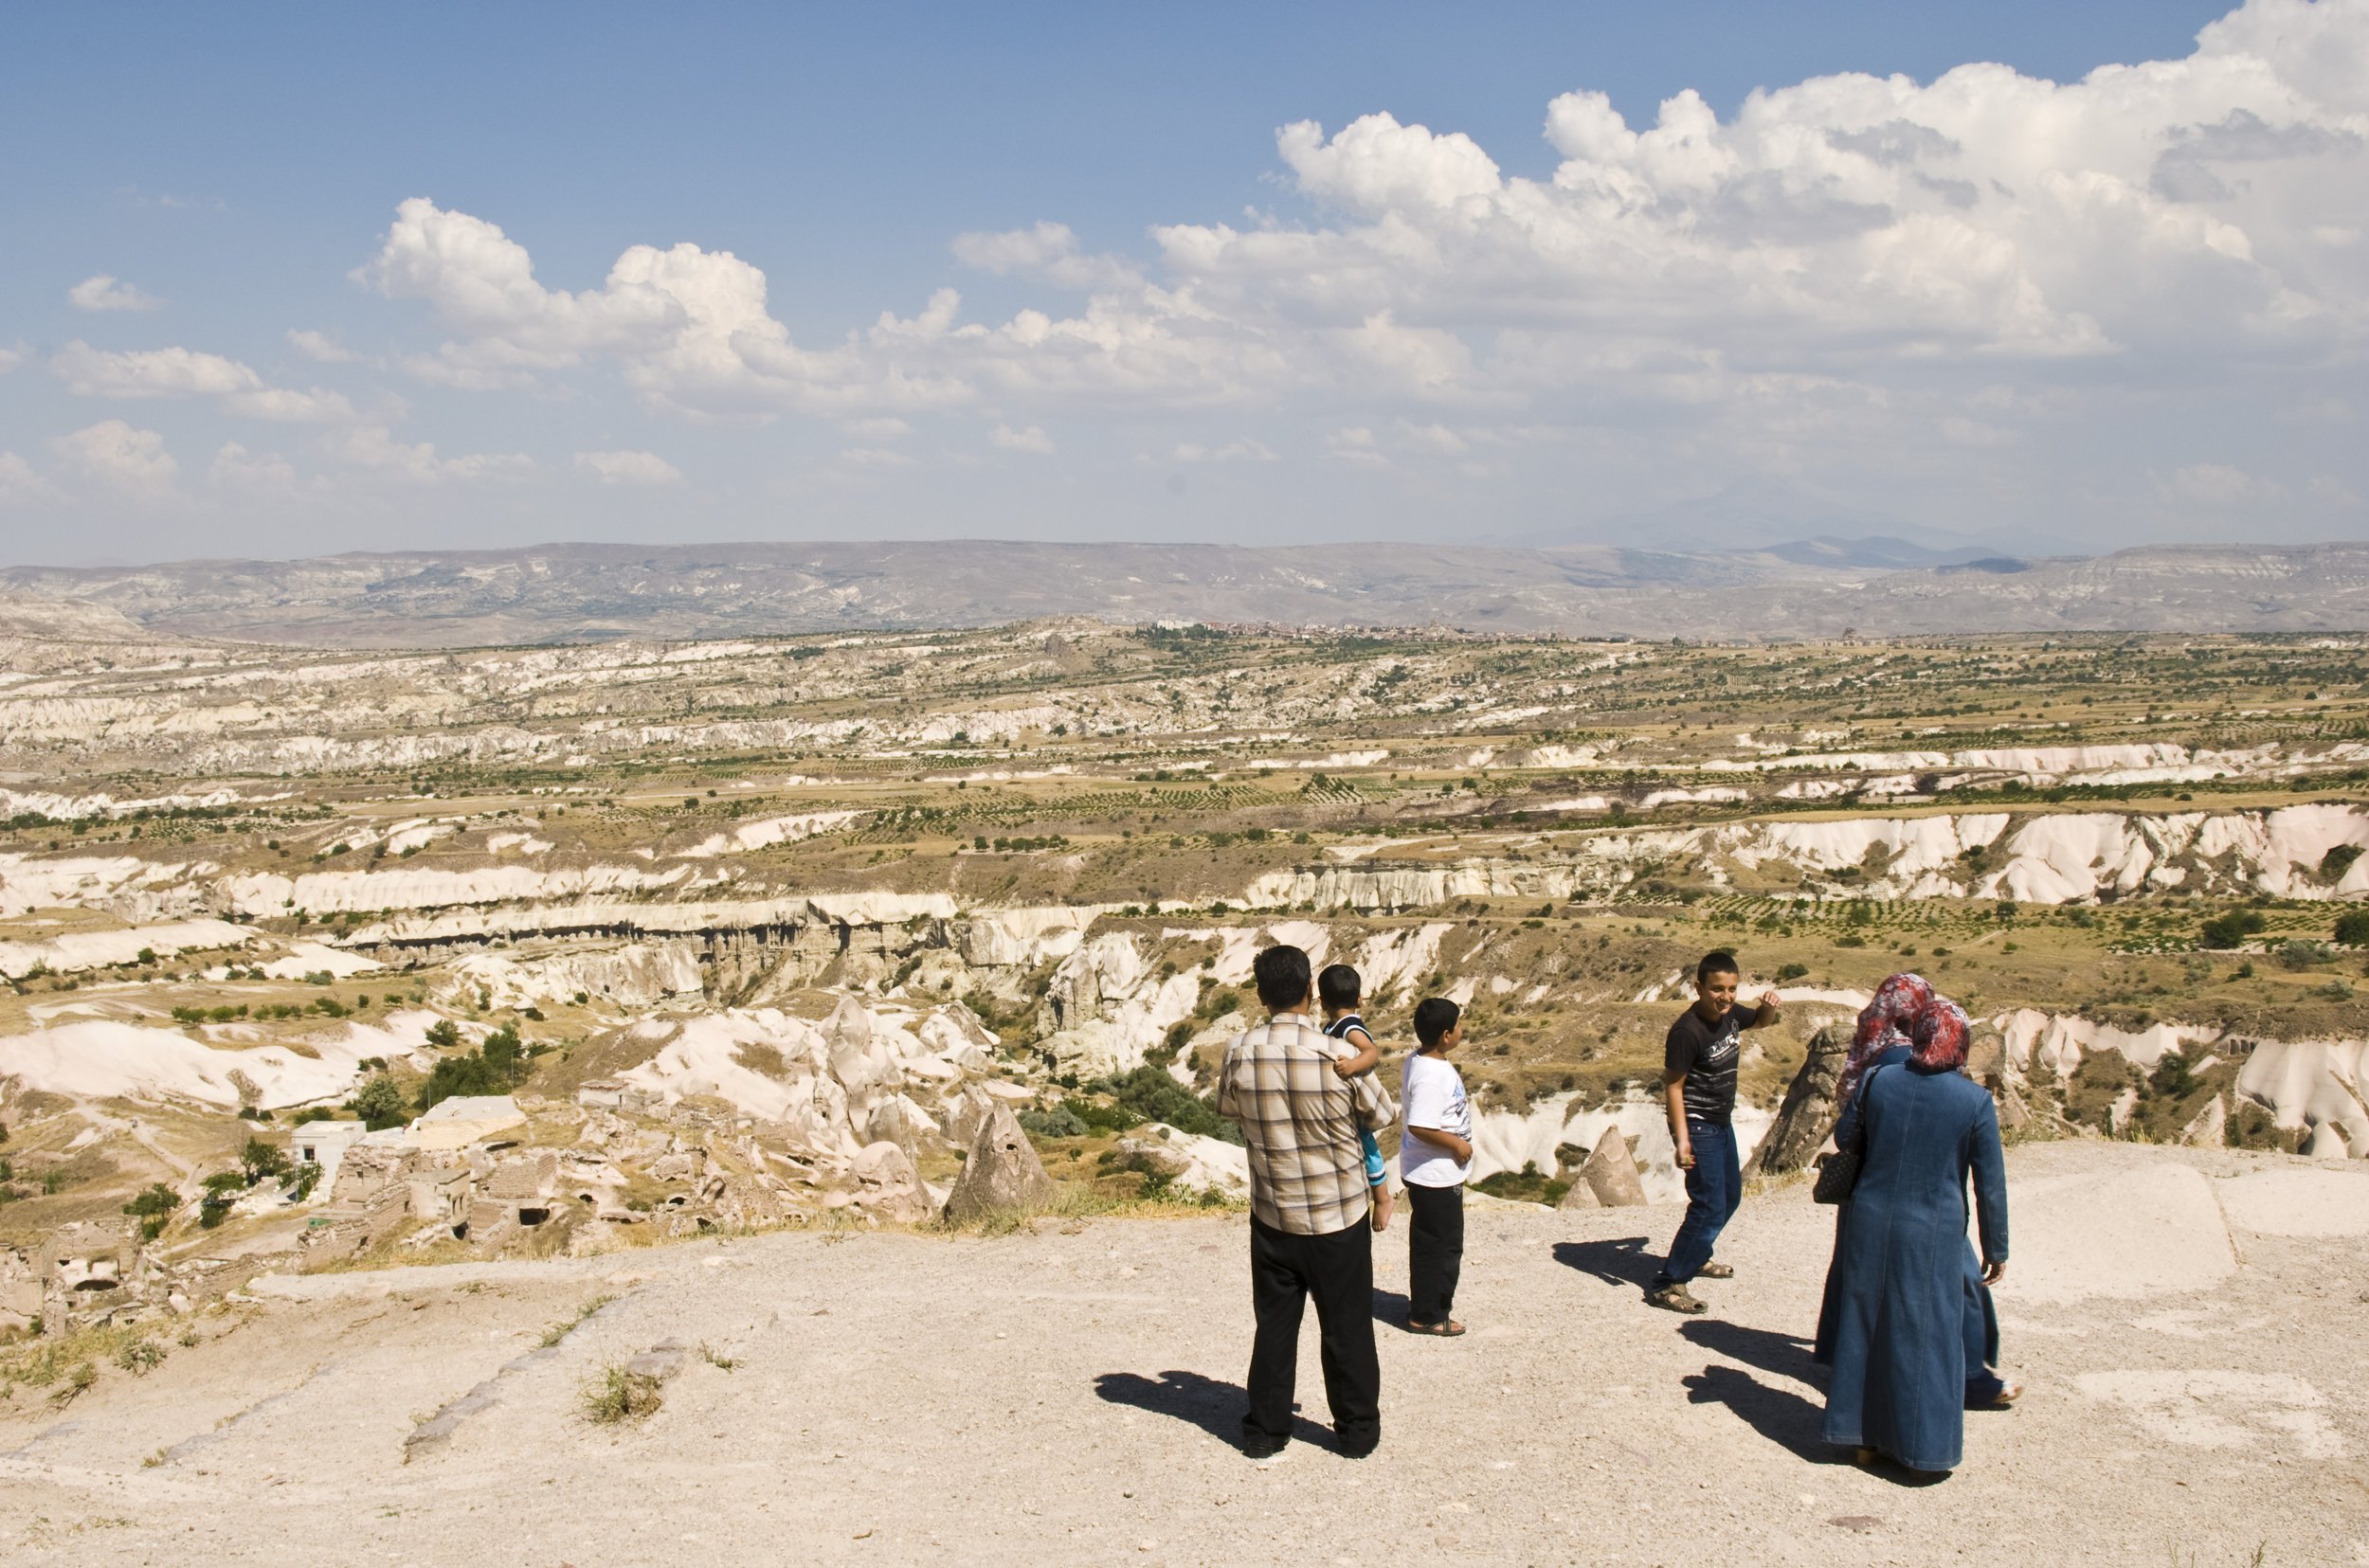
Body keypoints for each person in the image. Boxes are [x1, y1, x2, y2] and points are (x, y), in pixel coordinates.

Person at [1816, 984, 2012, 1477]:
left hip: (1869, 1220)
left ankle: (1860, 1439)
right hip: (1932, 1233)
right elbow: (1989, 1186)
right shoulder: (1974, 1101)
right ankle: (1924, 1452)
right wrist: (1997, 1248)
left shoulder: (1880, 1079)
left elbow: (1844, 1138)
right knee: (1928, 1336)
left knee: (1867, 1327)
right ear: (1960, 1043)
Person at [1217, 943, 1397, 1459]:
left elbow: (1229, 1109)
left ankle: (1266, 1431)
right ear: (1311, 992)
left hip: (1274, 1212)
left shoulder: (1239, 1051)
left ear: (1260, 994)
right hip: (1338, 1213)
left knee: (1275, 1324)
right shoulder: (1339, 1056)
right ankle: (1357, 1431)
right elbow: (1381, 1114)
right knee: (1347, 1325)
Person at [1646, 950, 1781, 1314]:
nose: (1726, 996)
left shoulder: (1731, 1015)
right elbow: (1673, 1087)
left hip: (1721, 1122)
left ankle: (1697, 1255)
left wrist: (1767, 1005)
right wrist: (1682, 1138)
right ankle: (1668, 1282)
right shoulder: (1686, 1031)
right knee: (1708, 1204)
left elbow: (1762, 1022)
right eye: (1717, 989)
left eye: (1732, 989)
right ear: (1699, 987)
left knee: (1731, 1197)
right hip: (1698, 1125)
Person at [1400, 996, 1474, 1336]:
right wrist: (1457, 1144)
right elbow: (1420, 1125)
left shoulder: (1421, 1061)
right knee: (1443, 1248)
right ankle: (1430, 1314)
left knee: (1432, 1243)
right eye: (1458, 1025)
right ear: (1446, 1034)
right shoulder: (1432, 1074)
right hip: (1435, 1175)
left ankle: (1426, 1306)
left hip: (1431, 1171)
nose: (1462, 1030)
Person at [1318, 963, 1393, 1233]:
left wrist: (1352, 1065)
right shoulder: (1334, 1026)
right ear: (1359, 999)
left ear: (1321, 1001)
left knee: (1368, 1147)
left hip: (1356, 1099)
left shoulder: (1349, 1027)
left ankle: (1383, 1198)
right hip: (1345, 1099)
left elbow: (1371, 1052)